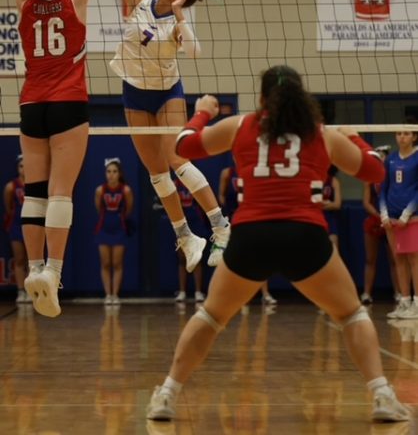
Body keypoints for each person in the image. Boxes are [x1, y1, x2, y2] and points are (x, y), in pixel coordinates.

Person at [146, 65, 411, 424]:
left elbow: (183, 146)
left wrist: (202, 113)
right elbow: (376, 172)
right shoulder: (321, 134)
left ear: (261, 98)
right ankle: (382, 395)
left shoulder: (240, 126)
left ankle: (167, 395)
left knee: (210, 316)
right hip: (304, 236)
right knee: (351, 314)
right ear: (302, 99)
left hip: (251, 235)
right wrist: (354, 137)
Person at [16, 0, 123, 318]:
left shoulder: (22, 0)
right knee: (62, 193)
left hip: (30, 104)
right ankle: (53, 273)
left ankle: (37, 264)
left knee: (34, 193)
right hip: (67, 101)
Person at [107, 0, 230, 272]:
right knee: (155, 171)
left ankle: (219, 225)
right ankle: (185, 236)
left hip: (166, 94)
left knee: (178, 160)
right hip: (133, 91)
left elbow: (193, 52)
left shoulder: (178, 24)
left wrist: (179, 16)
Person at [219, 164, 277, 306]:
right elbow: (221, 195)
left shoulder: (255, 171)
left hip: (253, 217)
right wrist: (227, 213)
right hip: (234, 218)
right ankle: (238, 295)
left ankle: (265, 294)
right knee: (236, 258)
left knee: (260, 257)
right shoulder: (227, 172)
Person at [380, 122, 418, 320]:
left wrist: (407, 214)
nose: (401, 137)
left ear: (414, 136)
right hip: (392, 219)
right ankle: (404, 302)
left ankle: (417, 304)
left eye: (406, 133)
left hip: (412, 218)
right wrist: (384, 214)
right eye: (398, 133)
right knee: (398, 260)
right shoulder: (391, 159)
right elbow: (383, 189)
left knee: (414, 259)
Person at [361, 146, 399, 305]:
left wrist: (388, 217)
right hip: (375, 220)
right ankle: (366, 294)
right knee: (370, 259)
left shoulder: (395, 177)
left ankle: (399, 293)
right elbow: (366, 202)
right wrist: (378, 215)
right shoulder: (369, 180)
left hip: (391, 221)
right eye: (378, 158)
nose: (381, 160)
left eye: (384, 157)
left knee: (395, 260)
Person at [95, 158, 134, 305]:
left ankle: (115, 294)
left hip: (119, 227)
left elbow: (129, 208)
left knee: (117, 263)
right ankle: (108, 294)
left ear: (120, 173)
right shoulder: (100, 190)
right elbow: (98, 208)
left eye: (114, 171)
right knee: (105, 263)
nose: (111, 175)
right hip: (103, 227)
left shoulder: (126, 190)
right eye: (108, 171)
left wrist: (120, 218)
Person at [3, 154, 30, 303]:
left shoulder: (37, 184)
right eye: (21, 166)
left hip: (32, 225)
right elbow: (8, 206)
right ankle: (21, 291)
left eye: (26, 165)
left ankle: (31, 290)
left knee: (32, 260)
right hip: (16, 225)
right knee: (19, 259)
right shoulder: (11, 186)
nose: (24, 169)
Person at [322, 165, 342, 248]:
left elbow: (337, 204)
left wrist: (320, 204)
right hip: (314, 218)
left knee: (333, 248)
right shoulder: (312, 180)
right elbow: (310, 203)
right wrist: (327, 203)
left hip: (330, 219)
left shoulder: (333, 181)